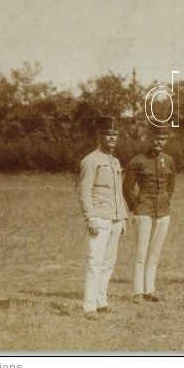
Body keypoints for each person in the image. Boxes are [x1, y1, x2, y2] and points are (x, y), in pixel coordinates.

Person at [77, 116, 129, 320]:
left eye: (115, 134)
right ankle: (89, 306)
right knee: (94, 261)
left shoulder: (115, 161)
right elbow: (84, 191)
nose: (112, 138)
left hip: (115, 218)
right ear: (99, 136)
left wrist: (123, 218)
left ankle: (101, 300)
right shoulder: (90, 161)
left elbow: (117, 192)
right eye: (108, 134)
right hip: (99, 218)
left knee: (109, 262)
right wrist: (90, 217)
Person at [123, 124, 176, 304]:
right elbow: (127, 187)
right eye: (156, 138)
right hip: (143, 210)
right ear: (150, 138)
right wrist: (135, 206)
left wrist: (166, 200)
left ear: (166, 140)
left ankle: (150, 289)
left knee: (154, 253)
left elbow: (171, 185)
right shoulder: (137, 161)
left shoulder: (168, 161)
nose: (159, 142)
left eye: (162, 139)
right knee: (141, 252)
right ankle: (137, 292)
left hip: (163, 211)